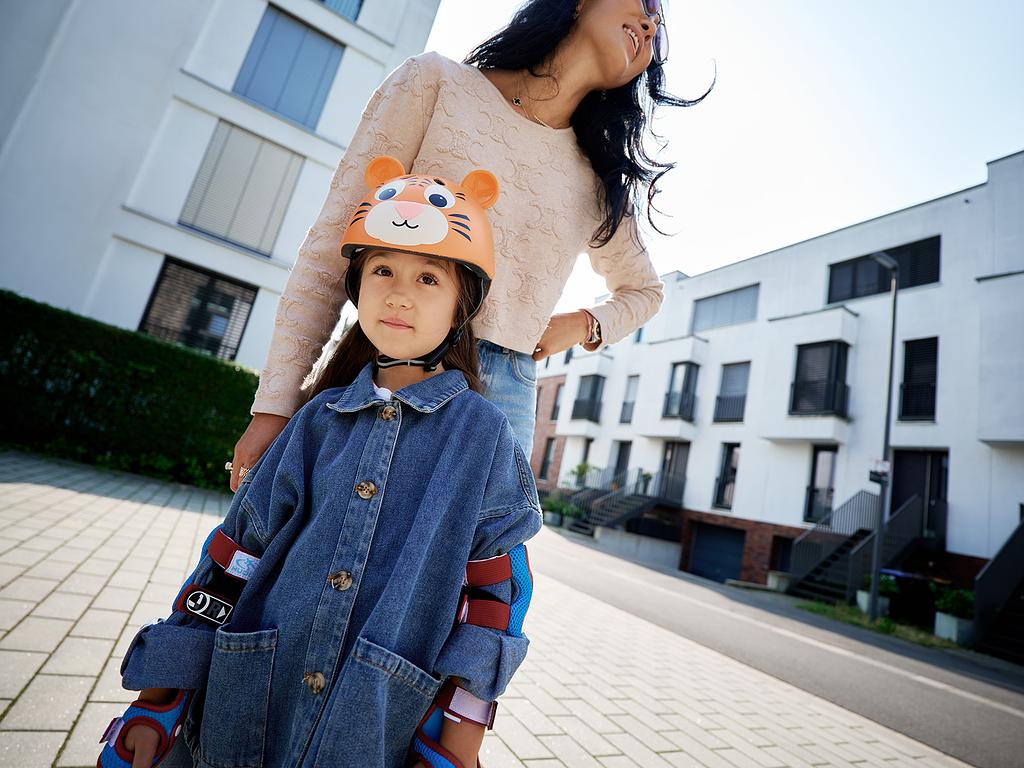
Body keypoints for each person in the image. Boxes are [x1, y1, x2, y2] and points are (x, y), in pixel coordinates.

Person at [98, 158, 542, 768]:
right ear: (357, 286)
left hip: (376, 725)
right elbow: (233, 557)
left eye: (428, 278)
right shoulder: (317, 418)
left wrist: (456, 744)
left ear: (463, 304)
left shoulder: (484, 437)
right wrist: (157, 704)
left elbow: (494, 600)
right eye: (382, 270)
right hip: (248, 706)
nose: (399, 293)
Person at [230, 0, 709, 491]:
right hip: (384, 364)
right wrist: (274, 406)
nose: (650, 23)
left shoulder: (598, 179)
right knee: (323, 532)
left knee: (472, 546)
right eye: (645, 3)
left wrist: (583, 325)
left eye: (658, 26)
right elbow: (331, 248)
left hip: (503, 397)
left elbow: (645, 291)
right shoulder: (436, 84)